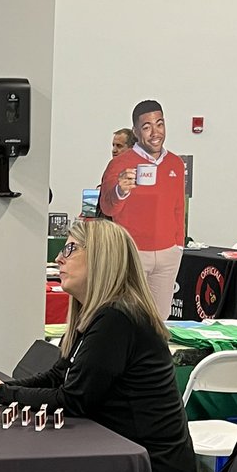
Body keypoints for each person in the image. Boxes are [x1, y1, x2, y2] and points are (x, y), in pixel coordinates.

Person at [0, 218, 197, 472]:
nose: (59, 258)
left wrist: (2, 393)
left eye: (70, 248)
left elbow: (73, 400)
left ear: (101, 256)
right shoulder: (104, 312)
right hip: (131, 464)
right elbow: (58, 375)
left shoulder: (118, 317)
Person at [99, 99, 185, 320]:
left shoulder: (175, 163)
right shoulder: (119, 164)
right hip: (131, 252)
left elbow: (178, 207)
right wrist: (121, 190)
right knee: (127, 316)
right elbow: (106, 206)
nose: (155, 132)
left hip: (168, 254)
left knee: (159, 320)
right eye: (147, 127)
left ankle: (154, 355)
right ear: (136, 132)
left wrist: (178, 245)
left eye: (160, 124)